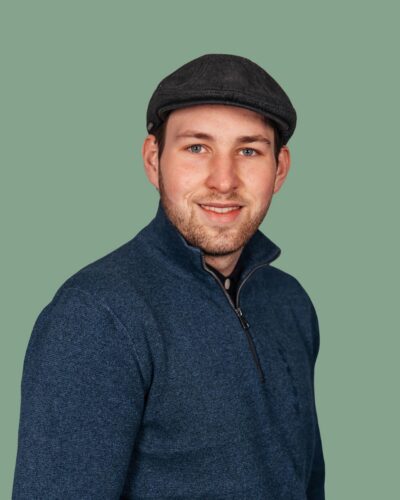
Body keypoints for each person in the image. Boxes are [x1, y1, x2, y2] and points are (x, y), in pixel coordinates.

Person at [12, 53, 325, 499]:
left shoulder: (289, 302)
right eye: (197, 147)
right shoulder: (96, 316)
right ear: (153, 160)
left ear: (280, 168)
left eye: (249, 150)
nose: (223, 181)